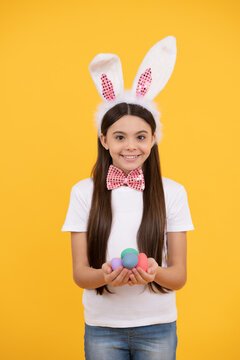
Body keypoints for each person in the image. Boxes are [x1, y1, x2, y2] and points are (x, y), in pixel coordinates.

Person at [61, 36, 194, 360]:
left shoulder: (173, 193)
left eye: (141, 137)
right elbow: (81, 274)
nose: (130, 146)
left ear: (153, 140)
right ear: (104, 139)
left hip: (158, 325)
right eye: (119, 137)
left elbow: (178, 277)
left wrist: (154, 272)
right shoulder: (83, 192)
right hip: (102, 326)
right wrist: (106, 276)